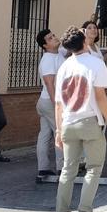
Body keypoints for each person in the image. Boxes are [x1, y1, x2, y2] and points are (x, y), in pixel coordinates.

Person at [54, 26, 107, 212]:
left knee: (68, 170)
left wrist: (58, 131)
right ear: (85, 41)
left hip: (67, 122)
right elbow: (100, 97)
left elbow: (58, 103)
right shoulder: (95, 63)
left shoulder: (64, 66)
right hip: (89, 120)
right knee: (93, 168)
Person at [35, 28, 66, 178]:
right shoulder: (47, 59)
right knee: (60, 133)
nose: (54, 38)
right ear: (45, 46)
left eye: (53, 35)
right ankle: (62, 167)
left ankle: (43, 168)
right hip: (49, 102)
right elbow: (49, 83)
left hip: (46, 102)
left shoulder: (59, 53)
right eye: (50, 38)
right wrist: (57, 105)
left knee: (45, 134)